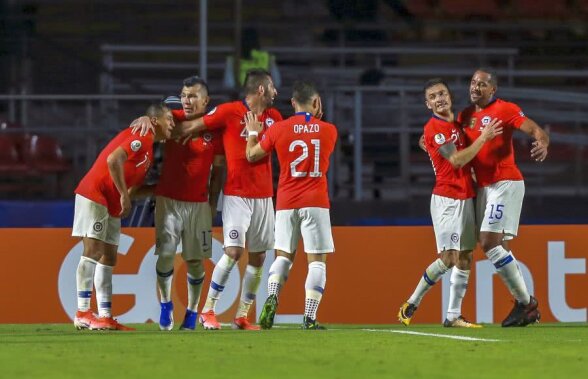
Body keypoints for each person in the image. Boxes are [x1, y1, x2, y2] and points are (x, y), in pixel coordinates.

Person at [170, 68, 282, 330]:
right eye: (273, 87)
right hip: (236, 195)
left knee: (258, 258)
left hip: (265, 197)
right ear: (262, 90)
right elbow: (193, 125)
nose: (277, 93)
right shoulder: (229, 111)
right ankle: (208, 310)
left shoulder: (274, 117)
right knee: (232, 251)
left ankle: (242, 316)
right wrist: (155, 121)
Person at [398, 78, 502, 328]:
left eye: (442, 93)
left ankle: (453, 315)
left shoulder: (456, 124)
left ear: (450, 96)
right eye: (433, 96)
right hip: (447, 199)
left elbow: (462, 159)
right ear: (427, 104)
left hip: (466, 197)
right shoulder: (434, 127)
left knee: (465, 256)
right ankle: (411, 303)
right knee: (449, 257)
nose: (439, 99)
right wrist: (484, 137)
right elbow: (455, 160)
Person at [458, 68, 549, 327]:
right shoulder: (464, 116)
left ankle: (527, 304)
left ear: (492, 90)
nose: (476, 87)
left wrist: (543, 141)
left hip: (505, 182)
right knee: (497, 246)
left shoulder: (505, 109)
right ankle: (524, 304)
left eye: (482, 84)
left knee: (488, 242)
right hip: (483, 188)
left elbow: (534, 129)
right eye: (473, 82)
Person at [72, 103, 174, 331]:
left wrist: (161, 189)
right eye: (169, 119)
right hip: (96, 193)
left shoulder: (149, 151)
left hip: (110, 202)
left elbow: (133, 187)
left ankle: (105, 315)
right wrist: (123, 196)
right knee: (93, 252)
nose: (172, 124)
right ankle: (82, 312)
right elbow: (112, 160)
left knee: (108, 257)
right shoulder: (144, 135)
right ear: (155, 120)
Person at [245, 80, 337, 330]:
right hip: (316, 201)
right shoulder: (329, 130)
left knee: (284, 256)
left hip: (286, 202)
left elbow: (251, 155)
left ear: (293, 103)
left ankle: (273, 296)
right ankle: (309, 317)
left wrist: (253, 132)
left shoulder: (278, 130)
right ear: (316, 102)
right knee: (317, 261)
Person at [153, 77, 225, 331]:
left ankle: (192, 313)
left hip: (198, 204)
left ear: (206, 101)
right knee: (165, 255)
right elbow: (154, 116)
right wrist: (144, 118)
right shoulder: (171, 119)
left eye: (193, 96)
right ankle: (165, 305)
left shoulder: (215, 131)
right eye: (184, 95)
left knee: (195, 261)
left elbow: (217, 171)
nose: (187, 100)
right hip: (168, 200)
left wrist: (213, 203)